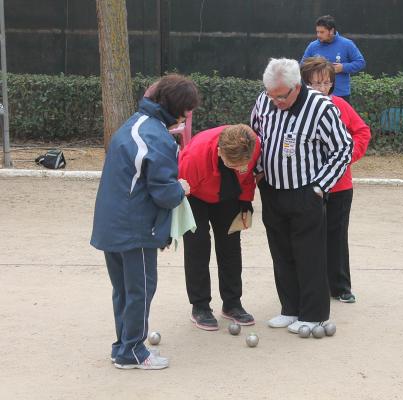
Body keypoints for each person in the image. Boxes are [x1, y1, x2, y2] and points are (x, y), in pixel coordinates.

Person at [91, 74, 200, 369]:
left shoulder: (134, 123)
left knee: (124, 289)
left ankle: (123, 345)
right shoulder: (157, 136)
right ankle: (133, 351)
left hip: (111, 222)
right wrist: (182, 188)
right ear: (177, 108)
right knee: (140, 288)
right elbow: (164, 193)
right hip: (134, 227)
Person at [251, 58, 353, 333]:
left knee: (309, 254)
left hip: (306, 190)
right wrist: (259, 172)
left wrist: (321, 186)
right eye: (271, 95)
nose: (275, 101)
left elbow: (344, 148)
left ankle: (314, 314)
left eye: (281, 96)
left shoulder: (321, 107)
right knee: (281, 253)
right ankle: (290, 308)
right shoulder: (264, 100)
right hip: (272, 190)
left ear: (296, 87)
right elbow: (255, 137)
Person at [300, 57, 371, 303]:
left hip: (340, 184)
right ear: (305, 82)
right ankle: (309, 284)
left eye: (328, 83)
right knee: (308, 236)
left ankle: (340, 286)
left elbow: (362, 131)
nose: (323, 88)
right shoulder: (296, 109)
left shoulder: (339, 105)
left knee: (337, 235)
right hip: (307, 184)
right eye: (317, 83)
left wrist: (348, 157)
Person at [178, 124, 260, 330]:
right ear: (219, 152)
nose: (238, 167)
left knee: (231, 246)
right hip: (194, 194)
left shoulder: (253, 144)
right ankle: (200, 306)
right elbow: (181, 190)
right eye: (232, 164)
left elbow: (247, 176)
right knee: (198, 245)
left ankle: (232, 303)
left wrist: (245, 201)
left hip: (229, 193)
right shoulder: (195, 156)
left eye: (240, 164)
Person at [301, 15, 366, 102]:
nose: (318, 35)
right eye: (317, 32)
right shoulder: (312, 46)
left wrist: (343, 67)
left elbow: (360, 62)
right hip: (316, 95)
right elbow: (302, 66)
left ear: (331, 31)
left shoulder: (347, 44)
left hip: (341, 95)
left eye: (322, 32)